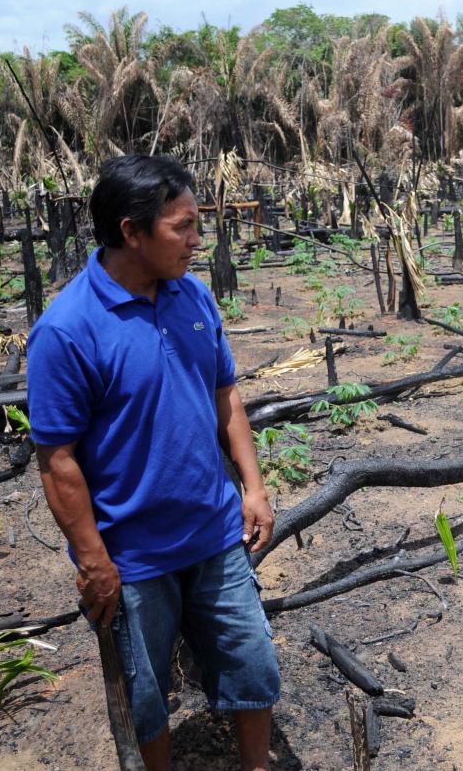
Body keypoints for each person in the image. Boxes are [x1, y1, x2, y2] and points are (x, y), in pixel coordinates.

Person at [27, 155, 280, 771]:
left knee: (253, 665)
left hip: (214, 531)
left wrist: (253, 486)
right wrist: (94, 561)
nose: (198, 241)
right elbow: (57, 459)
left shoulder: (192, 296)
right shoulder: (67, 330)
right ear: (131, 232)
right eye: (183, 226)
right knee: (145, 696)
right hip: (131, 555)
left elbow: (225, 397)